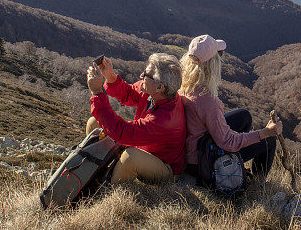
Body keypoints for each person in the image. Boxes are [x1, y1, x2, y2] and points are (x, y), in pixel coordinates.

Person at [179, 34, 282, 179]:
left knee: (244, 116)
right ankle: (255, 183)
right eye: (218, 56)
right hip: (203, 162)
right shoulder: (208, 102)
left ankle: (237, 164)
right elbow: (228, 142)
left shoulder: (183, 87)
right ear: (213, 64)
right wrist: (265, 132)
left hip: (192, 149)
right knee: (269, 141)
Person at [86, 53, 186, 184]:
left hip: (164, 167)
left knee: (130, 157)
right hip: (144, 147)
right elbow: (128, 93)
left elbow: (122, 133)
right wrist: (110, 77)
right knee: (94, 123)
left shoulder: (165, 118)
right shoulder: (154, 92)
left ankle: (107, 191)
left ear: (160, 87)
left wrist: (97, 93)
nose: (141, 76)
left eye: (146, 75)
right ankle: (94, 168)